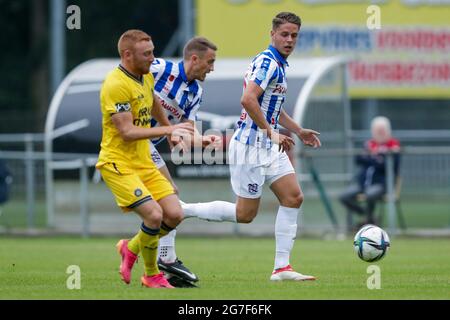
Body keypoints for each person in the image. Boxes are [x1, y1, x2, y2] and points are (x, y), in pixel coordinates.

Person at [181, 12, 322, 281]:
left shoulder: (278, 64)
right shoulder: (268, 62)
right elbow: (248, 100)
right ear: (272, 34)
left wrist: (297, 130)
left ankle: (282, 268)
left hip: (267, 146)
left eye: (294, 35)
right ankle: (185, 209)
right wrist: (272, 133)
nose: (289, 39)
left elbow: (271, 107)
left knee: (293, 197)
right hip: (250, 147)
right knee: (245, 215)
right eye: (284, 34)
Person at [117, 36, 221, 286]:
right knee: (167, 204)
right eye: (210, 62)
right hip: (130, 143)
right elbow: (126, 78)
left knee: (170, 202)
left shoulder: (196, 92)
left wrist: (201, 141)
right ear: (194, 59)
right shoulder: (161, 68)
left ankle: (145, 253)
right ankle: (160, 261)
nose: (212, 68)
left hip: (148, 147)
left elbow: (188, 131)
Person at [95, 29, 194, 289]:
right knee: (153, 215)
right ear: (127, 55)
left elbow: (152, 102)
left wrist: (166, 125)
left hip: (142, 160)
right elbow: (127, 133)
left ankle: (132, 246)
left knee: (174, 214)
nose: (153, 58)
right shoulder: (115, 84)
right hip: (118, 163)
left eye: (152, 51)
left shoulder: (145, 76)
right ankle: (151, 275)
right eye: (146, 53)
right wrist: (169, 129)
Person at [339, 116, 401, 226]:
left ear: (388, 131)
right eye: (377, 131)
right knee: (344, 196)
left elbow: (389, 166)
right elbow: (358, 159)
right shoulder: (369, 144)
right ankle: (369, 217)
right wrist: (377, 158)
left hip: (381, 183)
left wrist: (372, 158)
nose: (380, 133)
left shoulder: (393, 145)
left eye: (382, 130)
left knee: (370, 195)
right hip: (363, 183)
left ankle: (368, 222)